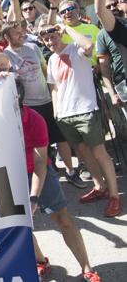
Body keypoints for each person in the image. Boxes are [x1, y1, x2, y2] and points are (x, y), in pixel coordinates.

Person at [3, 75, 102, 282]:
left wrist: (33, 197)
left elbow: (40, 163)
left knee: (63, 220)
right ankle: (41, 261)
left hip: (39, 173)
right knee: (21, 227)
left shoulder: (35, 120)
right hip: (10, 176)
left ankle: (87, 268)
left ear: (19, 97)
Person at [41, 23, 121, 217]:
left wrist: (65, 28)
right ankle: (99, 186)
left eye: (53, 36)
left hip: (85, 110)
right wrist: (56, 111)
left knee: (100, 153)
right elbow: (54, 87)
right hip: (65, 115)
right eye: (46, 38)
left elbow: (88, 46)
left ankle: (114, 196)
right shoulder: (51, 59)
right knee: (83, 153)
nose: (50, 41)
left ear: (59, 34)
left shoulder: (74, 49)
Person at [2, 23, 84, 188]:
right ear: (7, 37)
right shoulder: (6, 54)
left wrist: (54, 94)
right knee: (39, 144)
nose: (21, 35)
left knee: (61, 138)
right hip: (29, 106)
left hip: (47, 100)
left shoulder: (33, 47)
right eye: (16, 33)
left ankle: (70, 172)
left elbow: (45, 69)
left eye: (20, 31)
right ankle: (45, 178)